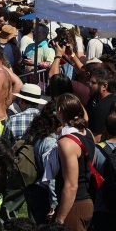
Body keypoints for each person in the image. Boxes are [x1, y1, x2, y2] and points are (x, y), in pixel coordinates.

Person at [51, 93, 95, 230]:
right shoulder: (88, 133)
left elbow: (71, 186)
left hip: (74, 205)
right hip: (88, 202)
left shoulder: (66, 143)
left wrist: (60, 219)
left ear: (59, 111)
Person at [87, 67, 116, 142]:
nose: (89, 85)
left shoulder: (103, 106)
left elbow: (97, 137)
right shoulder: (93, 100)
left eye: (93, 83)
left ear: (104, 86)